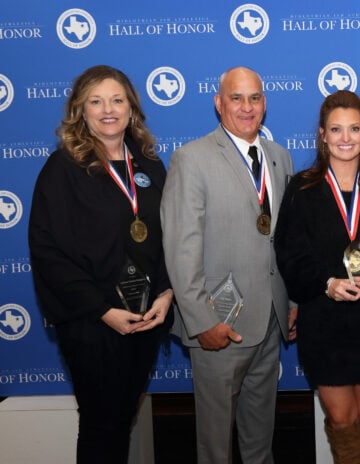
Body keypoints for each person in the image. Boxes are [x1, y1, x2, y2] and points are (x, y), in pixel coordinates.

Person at [28, 65, 173, 463]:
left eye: (117, 100)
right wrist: (102, 310)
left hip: (144, 319)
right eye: (96, 101)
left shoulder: (149, 165)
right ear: (80, 110)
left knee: (122, 420)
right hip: (93, 324)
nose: (107, 109)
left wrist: (166, 292)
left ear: (132, 109)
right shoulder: (62, 169)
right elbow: (47, 253)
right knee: (99, 425)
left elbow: (170, 237)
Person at [161, 66, 296, 464]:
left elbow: (285, 239)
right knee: (216, 443)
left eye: (255, 97)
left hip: (270, 318)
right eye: (236, 98)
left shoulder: (279, 157)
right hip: (219, 324)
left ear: (265, 104)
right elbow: (180, 248)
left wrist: (291, 301)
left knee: (260, 436)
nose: (247, 107)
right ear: (219, 103)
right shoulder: (191, 158)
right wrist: (201, 321)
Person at [274, 90, 360, 463]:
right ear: (322, 135)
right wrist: (327, 283)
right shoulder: (302, 189)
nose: (346, 138)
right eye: (336, 129)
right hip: (325, 323)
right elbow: (289, 253)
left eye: (354, 129)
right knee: (342, 416)